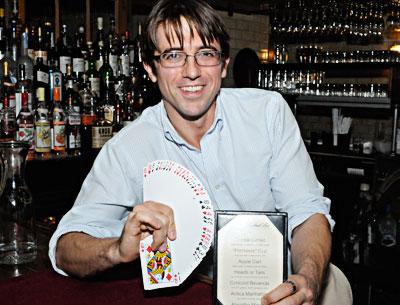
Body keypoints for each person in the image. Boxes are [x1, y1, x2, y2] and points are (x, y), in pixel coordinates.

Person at [49, 1, 352, 304]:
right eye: (173, 55)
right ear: (150, 69)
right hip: (197, 293)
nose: (191, 71)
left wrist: (309, 278)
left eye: (205, 54)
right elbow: (65, 248)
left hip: (285, 283)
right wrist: (116, 248)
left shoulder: (268, 113)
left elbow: (307, 211)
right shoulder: (128, 148)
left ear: (223, 65)